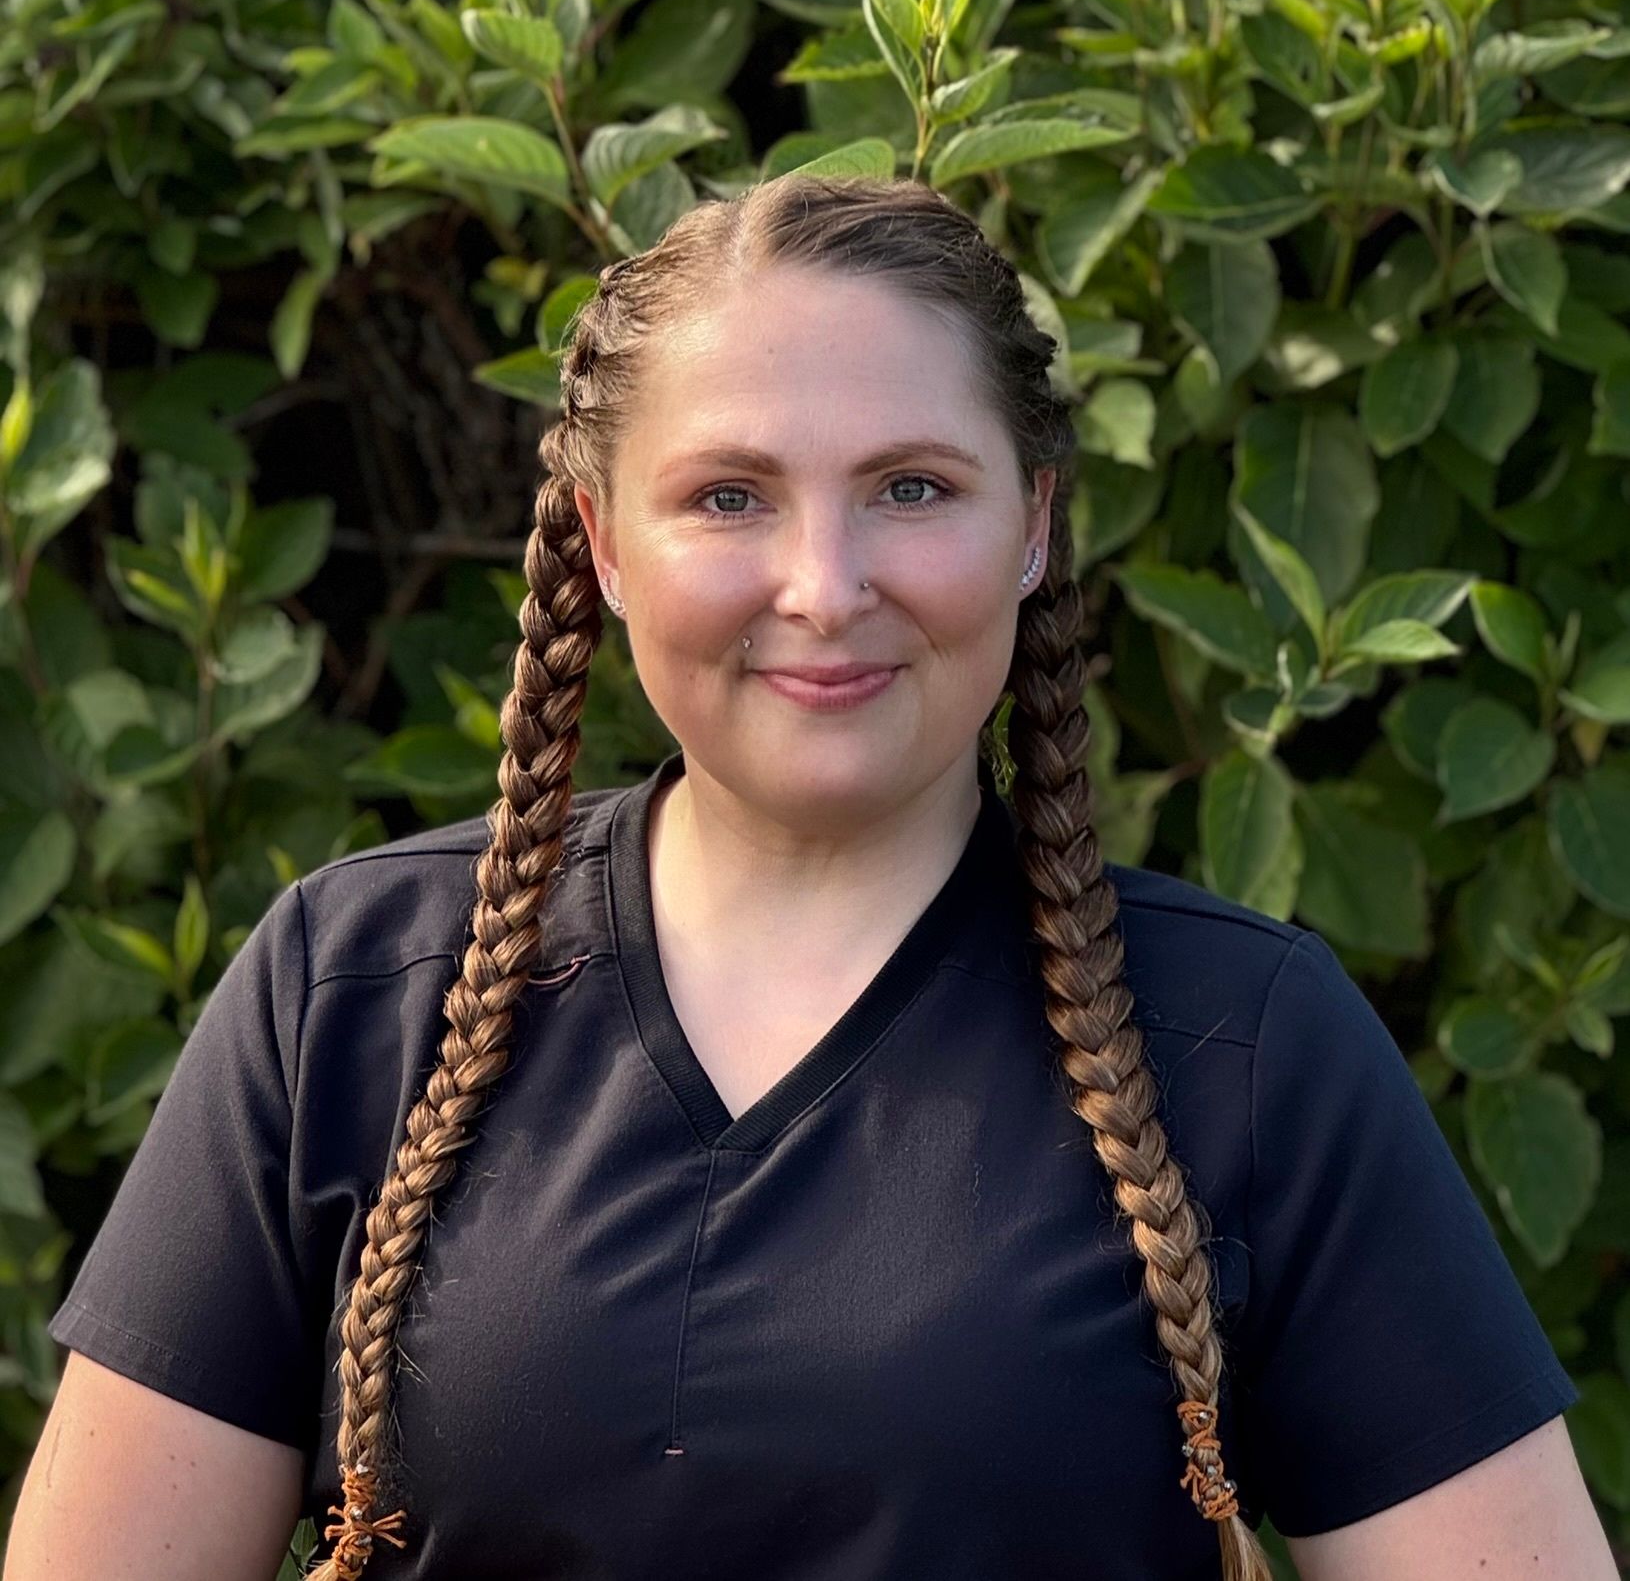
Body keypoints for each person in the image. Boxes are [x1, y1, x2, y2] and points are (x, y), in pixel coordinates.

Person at [6, 174, 1612, 1581]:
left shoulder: (1244, 1044)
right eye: (728, 495)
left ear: (1034, 524)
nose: (823, 586)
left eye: (911, 486)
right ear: (604, 540)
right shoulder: (348, 991)